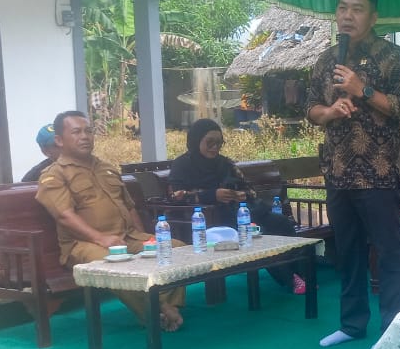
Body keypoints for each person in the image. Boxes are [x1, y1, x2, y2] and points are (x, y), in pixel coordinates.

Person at [306, 0, 400, 347]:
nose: (347, 16)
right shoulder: (326, 60)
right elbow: (310, 108)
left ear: (373, 17)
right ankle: (352, 324)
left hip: (379, 174)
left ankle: (393, 330)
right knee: (348, 252)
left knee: (388, 252)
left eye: (357, 9)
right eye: (342, 8)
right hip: (338, 172)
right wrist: (329, 112)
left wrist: (362, 90)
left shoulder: (394, 58)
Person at [36, 110, 186, 331]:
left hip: (126, 238)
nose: (85, 136)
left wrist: (143, 237)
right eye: (76, 132)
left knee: (175, 248)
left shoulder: (106, 168)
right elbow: (64, 215)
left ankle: (167, 307)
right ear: (59, 140)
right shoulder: (54, 175)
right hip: (85, 245)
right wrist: (101, 238)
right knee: (115, 262)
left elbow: (129, 206)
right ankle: (156, 312)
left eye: (88, 131)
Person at [167, 118, 304, 288]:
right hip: (205, 223)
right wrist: (212, 195)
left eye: (219, 143)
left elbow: (249, 189)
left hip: (238, 213)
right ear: (196, 140)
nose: (215, 147)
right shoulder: (182, 164)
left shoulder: (224, 163)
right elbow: (175, 196)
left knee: (281, 223)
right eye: (210, 142)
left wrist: (240, 195)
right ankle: (289, 279)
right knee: (260, 232)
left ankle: (300, 272)